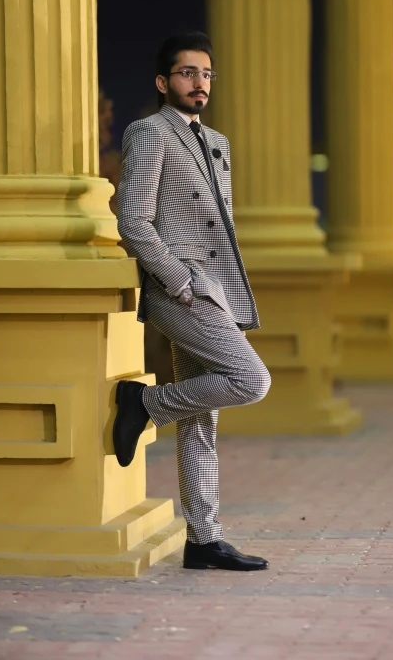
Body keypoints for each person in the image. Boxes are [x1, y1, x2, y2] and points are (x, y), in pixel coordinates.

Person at [115, 31, 271, 571]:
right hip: (179, 289)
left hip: (215, 290)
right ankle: (143, 405)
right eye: (187, 73)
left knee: (203, 419)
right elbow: (133, 219)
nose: (199, 83)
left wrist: (214, 289)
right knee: (251, 379)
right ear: (164, 82)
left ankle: (203, 540)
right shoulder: (149, 133)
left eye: (206, 74)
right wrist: (177, 280)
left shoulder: (218, 142)